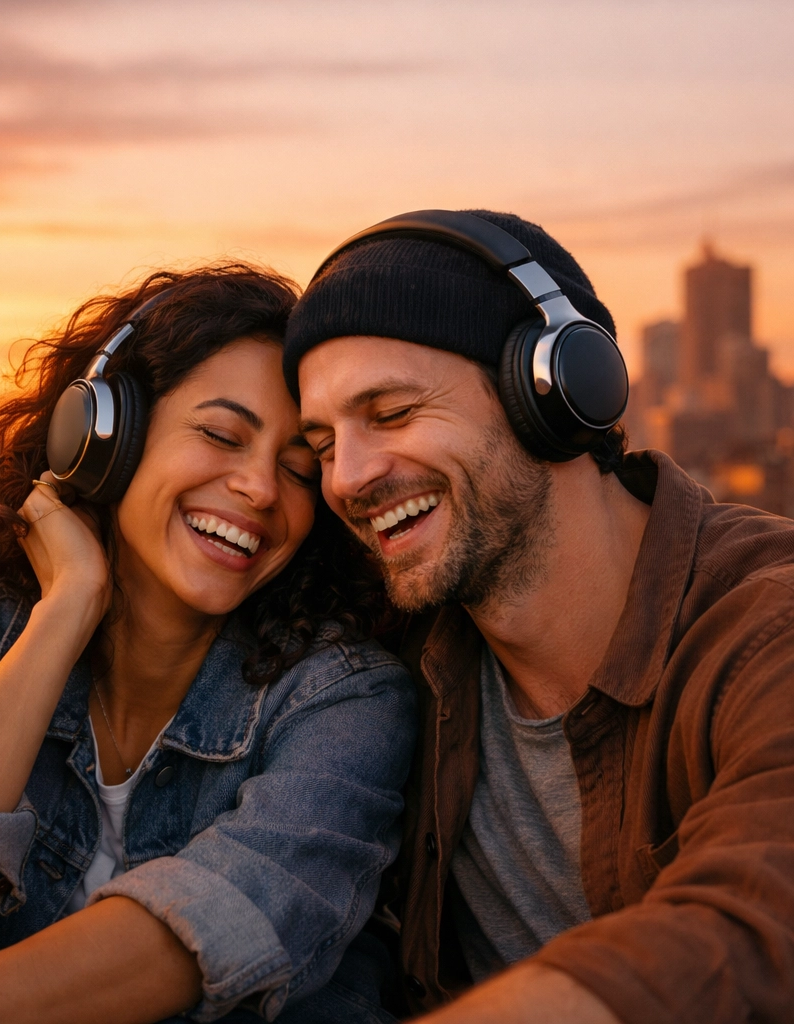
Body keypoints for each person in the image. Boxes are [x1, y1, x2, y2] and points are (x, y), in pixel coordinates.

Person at [0, 264, 416, 1024]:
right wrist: (65, 613)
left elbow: (248, 919)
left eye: (300, 470)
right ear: (103, 436)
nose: (262, 490)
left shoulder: (342, 694)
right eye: (219, 434)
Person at [282, 210, 794, 1024]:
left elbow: (749, 929)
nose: (346, 478)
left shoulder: (766, 626)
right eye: (321, 442)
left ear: (551, 392)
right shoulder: (394, 654)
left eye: (391, 414)